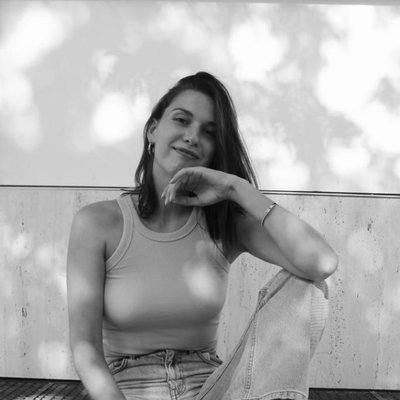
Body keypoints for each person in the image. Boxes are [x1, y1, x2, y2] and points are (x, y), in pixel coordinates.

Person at [66, 72, 338, 400]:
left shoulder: (225, 224)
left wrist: (236, 188)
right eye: (182, 120)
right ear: (153, 130)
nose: (193, 137)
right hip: (128, 387)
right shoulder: (97, 222)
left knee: (307, 286)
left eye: (209, 133)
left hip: (211, 388)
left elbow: (322, 263)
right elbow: (85, 350)